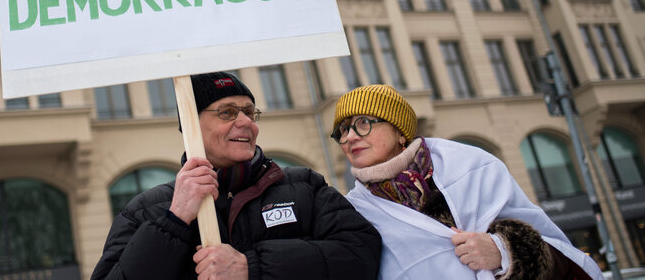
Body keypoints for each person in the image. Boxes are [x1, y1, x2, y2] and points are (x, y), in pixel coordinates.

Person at [91, 72, 381, 280]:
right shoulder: (145, 211)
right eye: (227, 112)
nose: (245, 122)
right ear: (191, 125)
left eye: (250, 112)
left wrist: (251, 266)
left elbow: (361, 255)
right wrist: (174, 221)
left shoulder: (304, 185)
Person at [332, 84, 603, 280]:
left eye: (363, 123)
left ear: (399, 131)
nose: (350, 137)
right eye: (342, 130)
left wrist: (504, 252)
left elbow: (558, 253)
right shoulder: (351, 212)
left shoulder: (470, 166)